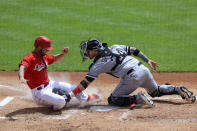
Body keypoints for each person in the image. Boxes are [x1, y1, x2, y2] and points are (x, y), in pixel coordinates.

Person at [63, 38, 196, 108]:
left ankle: (138, 98)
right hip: (144, 69)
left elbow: (85, 83)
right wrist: (148, 60)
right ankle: (178, 89)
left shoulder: (97, 65)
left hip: (132, 77)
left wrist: (70, 95)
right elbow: (134, 50)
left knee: (113, 99)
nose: (86, 53)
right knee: (155, 91)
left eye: (88, 51)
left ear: (95, 51)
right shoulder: (115, 47)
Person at [18, 36, 98, 110]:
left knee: (74, 88)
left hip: (49, 84)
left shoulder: (43, 56)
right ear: (39, 47)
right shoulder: (30, 58)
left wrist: (63, 54)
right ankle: (56, 105)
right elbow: (22, 66)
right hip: (39, 92)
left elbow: (54, 59)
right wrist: (21, 77)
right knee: (62, 101)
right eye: (46, 48)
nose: (48, 50)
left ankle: (86, 98)